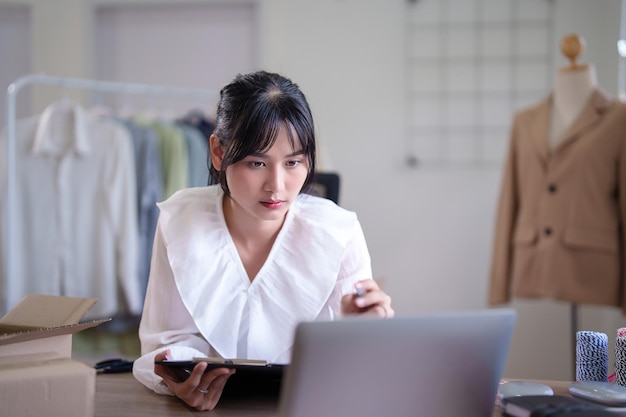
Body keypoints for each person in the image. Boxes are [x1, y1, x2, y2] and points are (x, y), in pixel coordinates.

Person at [132, 70, 394, 411]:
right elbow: (164, 342)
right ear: (218, 153)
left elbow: (360, 368)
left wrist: (363, 331)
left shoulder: (337, 231)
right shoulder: (182, 220)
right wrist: (179, 382)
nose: (277, 185)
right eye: (257, 163)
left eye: (293, 163)